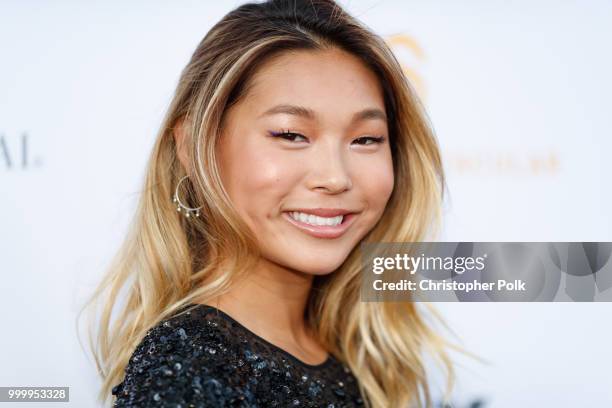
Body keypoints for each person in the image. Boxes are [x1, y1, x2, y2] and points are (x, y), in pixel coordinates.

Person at [80, 0, 457, 406]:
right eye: (291, 135)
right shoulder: (191, 372)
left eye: (365, 139)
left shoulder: (355, 352)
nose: (335, 177)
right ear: (193, 147)